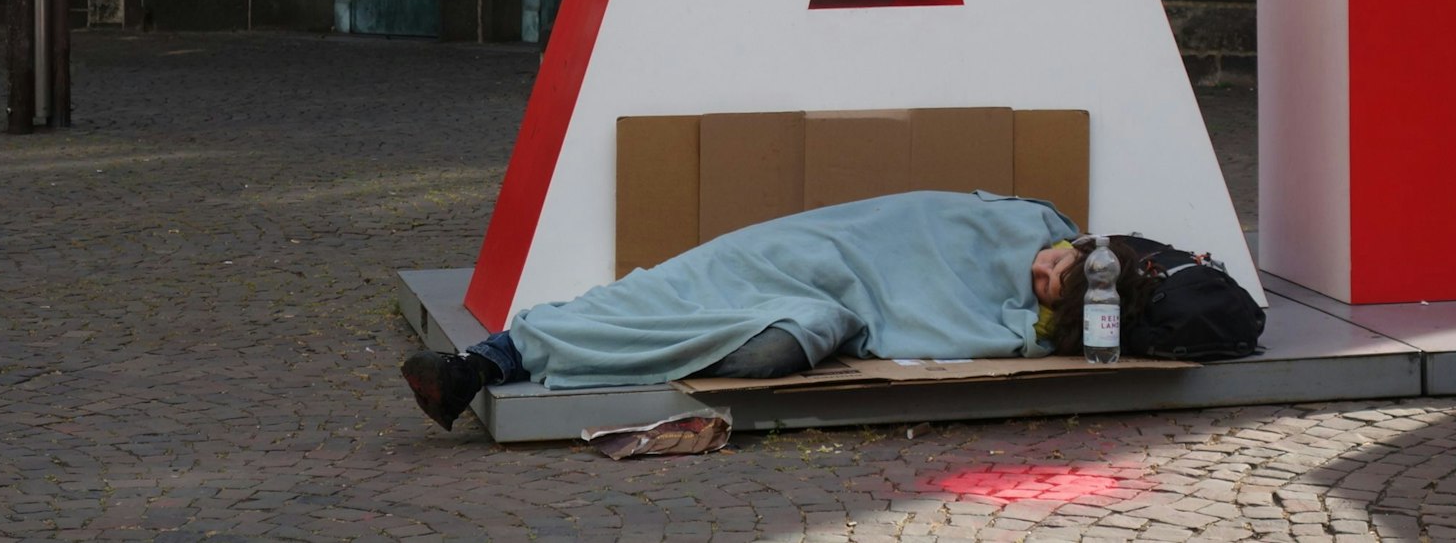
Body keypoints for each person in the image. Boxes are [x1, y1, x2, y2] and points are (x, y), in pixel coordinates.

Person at [401, 189, 1094, 431]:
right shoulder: (1033, 220)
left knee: (765, 349)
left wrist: (1034, 322)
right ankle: (495, 356)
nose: (1041, 271)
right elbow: (907, 226)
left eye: (1049, 292)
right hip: (817, 249)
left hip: (837, 301)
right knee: (666, 291)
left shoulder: (1022, 330)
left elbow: (938, 312)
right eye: (1054, 263)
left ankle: (504, 358)